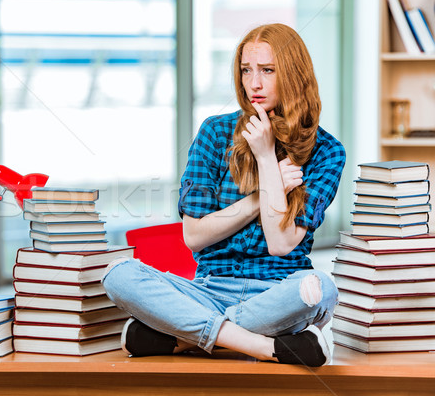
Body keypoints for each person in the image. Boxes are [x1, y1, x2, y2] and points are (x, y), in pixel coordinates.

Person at [102, 23, 346, 367]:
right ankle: (266, 346)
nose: (253, 84)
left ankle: (183, 338)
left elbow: (280, 242)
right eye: (246, 70)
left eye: (267, 70)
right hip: (208, 289)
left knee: (321, 287)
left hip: (277, 292)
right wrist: (264, 192)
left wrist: (264, 154)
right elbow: (194, 236)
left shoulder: (327, 151)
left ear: (293, 74)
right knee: (118, 274)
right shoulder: (215, 133)